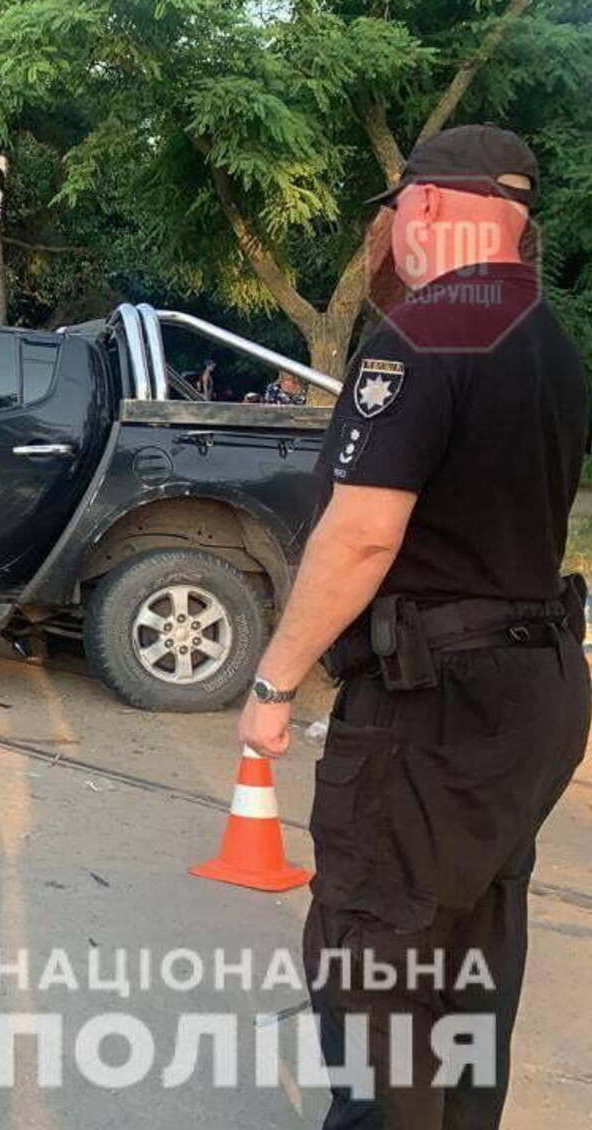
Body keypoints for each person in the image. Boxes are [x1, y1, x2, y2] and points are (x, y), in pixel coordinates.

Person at [236, 125, 586, 1129]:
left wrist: (272, 686)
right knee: (473, 957)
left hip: (435, 709)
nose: (385, 244)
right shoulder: (549, 341)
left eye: (387, 222)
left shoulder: (429, 331)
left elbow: (359, 534)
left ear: (425, 208)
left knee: (376, 968)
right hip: (533, 695)